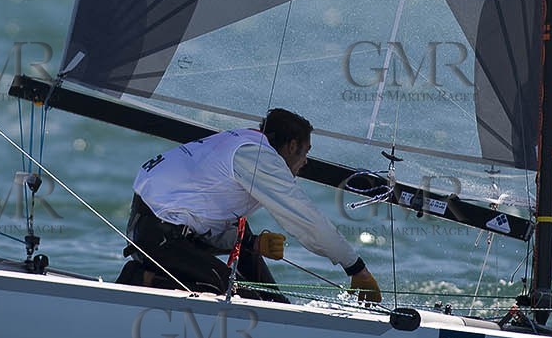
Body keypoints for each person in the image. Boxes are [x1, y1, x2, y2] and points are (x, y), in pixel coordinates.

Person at [116, 108, 382, 305]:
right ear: (292, 146)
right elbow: (306, 221)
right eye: (306, 152)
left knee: (258, 278)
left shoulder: (244, 141)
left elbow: (206, 209)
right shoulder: (256, 156)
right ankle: (140, 277)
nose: (306, 162)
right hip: (157, 235)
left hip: (165, 224)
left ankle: (278, 306)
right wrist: (355, 268)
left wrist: (253, 244)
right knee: (230, 293)